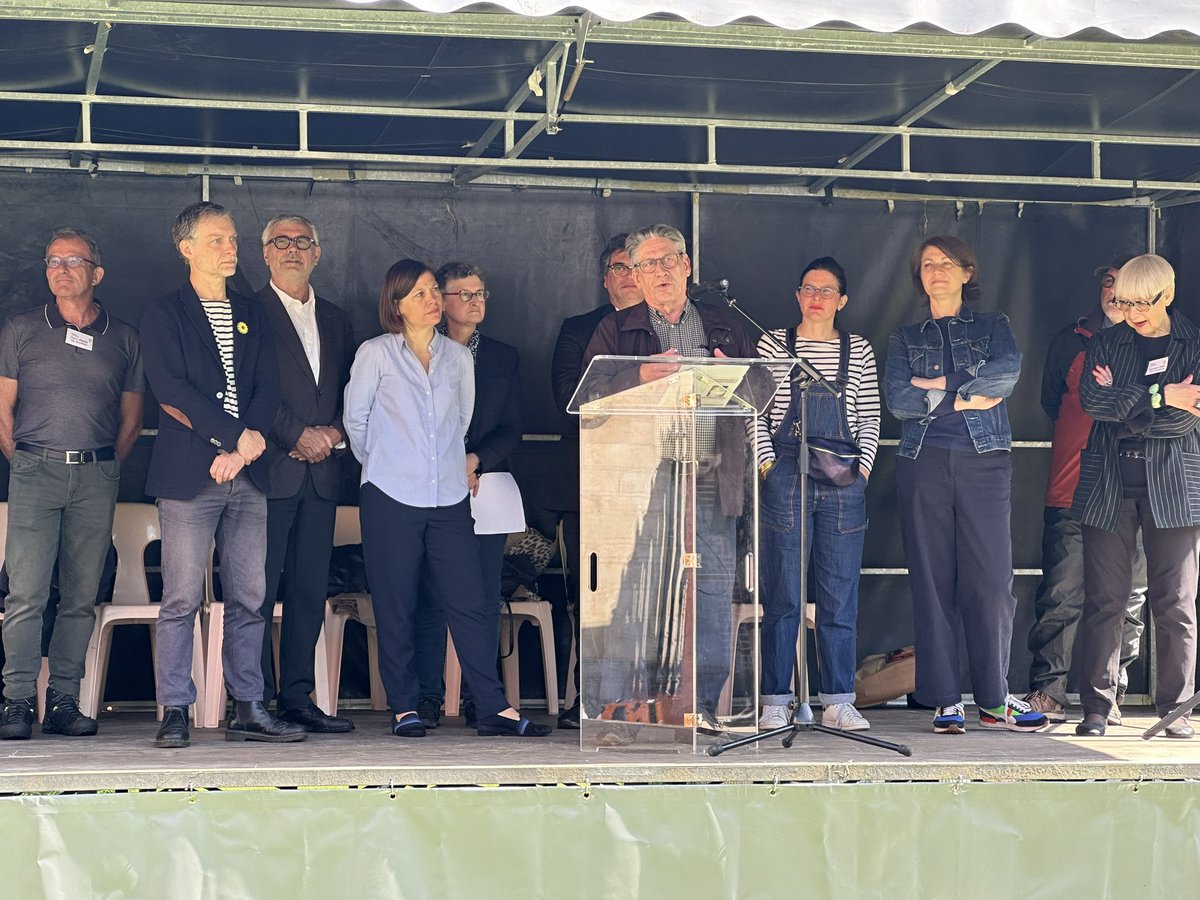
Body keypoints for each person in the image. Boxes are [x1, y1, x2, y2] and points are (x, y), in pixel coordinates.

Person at [343, 258, 550, 738]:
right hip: (390, 495)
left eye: (434, 290)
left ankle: (494, 707)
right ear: (396, 305)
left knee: (470, 600)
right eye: (419, 293)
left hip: (450, 497)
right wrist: (388, 465)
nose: (432, 299)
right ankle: (405, 706)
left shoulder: (458, 359)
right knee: (397, 603)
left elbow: (460, 423)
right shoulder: (376, 353)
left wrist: (439, 467)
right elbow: (356, 422)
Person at [141, 201, 303, 749]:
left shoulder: (252, 310)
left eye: (233, 239)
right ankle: (175, 711)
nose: (230, 248)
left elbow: (266, 388)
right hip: (192, 474)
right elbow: (172, 392)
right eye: (217, 240)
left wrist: (244, 450)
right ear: (186, 248)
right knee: (181, 598)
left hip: (247, 475)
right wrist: (231, 439)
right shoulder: (165, 312)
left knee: (249, 596)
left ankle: (249, 706)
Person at [582, 224, 756, 734]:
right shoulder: (618, 328)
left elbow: (763, 387)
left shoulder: (725, 322)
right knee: (634, 592)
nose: (659, 272)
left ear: (687, 266)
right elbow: (587, 400)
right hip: (642, 479)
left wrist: (736, 374)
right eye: (647, 264)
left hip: (711, 474)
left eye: (667, 261)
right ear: (633, 275)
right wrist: (636, 377)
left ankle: (698, 707)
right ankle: (619, 708)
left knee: (711, 591)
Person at [883, 235, 1046, 734]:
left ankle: (996, 699)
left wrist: (935, 385)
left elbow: (1005, 375)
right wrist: (960, 395)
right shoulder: (904, 339)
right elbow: (897, 400)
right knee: (931, 582)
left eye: (947, 263)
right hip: (923, 461)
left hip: (984, 461)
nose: (937, 271)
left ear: (967, 273)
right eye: (928, 264)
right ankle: (943, 699)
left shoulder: (994, 326)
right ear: (919, 276)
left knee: (993, 582)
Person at [0, 228, 144, 741]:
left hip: (96, 474)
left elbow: (131, 419)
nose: (60, 269)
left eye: (73, 260)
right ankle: (16, 701)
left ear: (96, 274)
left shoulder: (123, 336)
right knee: (26, 594)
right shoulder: (20, 329)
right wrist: (31, 462)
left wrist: (101, 465)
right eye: (52, 261)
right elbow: (3, 411)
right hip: (35, 470)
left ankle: (63, 699)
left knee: (81, 595)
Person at [1074, 253, 1200, 739]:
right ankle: (1098, 709)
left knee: (1176, 602)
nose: (1131, 312)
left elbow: (1185, 420)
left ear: (1167, 295)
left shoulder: (1194, 344)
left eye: (1141, 303)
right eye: (1122, 302)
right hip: (1109, 482)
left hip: (1177, 485)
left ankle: (1176, 710)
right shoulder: (1106, 340)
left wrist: (1129, 397)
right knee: (1105, 600)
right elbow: (1093, 402)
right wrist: (1161, 394)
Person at [753, 256, 879, 732]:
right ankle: (775, 700)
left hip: (843, 475)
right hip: (786, 471)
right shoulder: (773, 344)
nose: (817, 297)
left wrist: (862, 470)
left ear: (842, 301)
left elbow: (869, 414)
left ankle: (838, 700)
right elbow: (755, 412)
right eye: (809, 288)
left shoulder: (859, 349)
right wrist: (767, 464)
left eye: (827, 290)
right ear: (797, 296)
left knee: (839, 592)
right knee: (783, 592)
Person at [1025, 260, 1147, 724]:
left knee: (1130, 600)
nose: (1114, 290)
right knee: (1060, 595)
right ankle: (1049, 692)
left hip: (1136, 492)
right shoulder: (1071, 340)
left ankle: (1110, 694)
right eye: (1108, 281)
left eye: (1124, 282)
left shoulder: (1164, 344)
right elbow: (1051, 402)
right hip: (1072, 488)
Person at [255, 214, 356, 734]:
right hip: (270, 471)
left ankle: (297, 698)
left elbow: (352, 393)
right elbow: (250, 388)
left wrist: (333, 434)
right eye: (281, 242)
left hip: (322, 476)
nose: (292, 250)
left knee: (308, 590)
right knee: (258, 590)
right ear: (265, 252)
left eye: (302, 242)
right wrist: (295, 434)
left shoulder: (338, 320)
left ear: (318, 252)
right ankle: (250, 700)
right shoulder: (246, 310)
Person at [413, 261, 522, 729]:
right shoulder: (418, 349)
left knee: (479, 595)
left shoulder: (502, 355)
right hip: (424, 488)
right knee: (431, 595)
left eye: (481, 293)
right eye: (464, 294)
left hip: (484, 488)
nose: (475, 302)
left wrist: (476, 458)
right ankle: (427, 697)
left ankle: (484, 698)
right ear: (440, 301)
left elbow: (514, 427)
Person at [547, 233, 642, 730]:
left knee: (643, 594)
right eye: (620, 268)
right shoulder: (580, 328)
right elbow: (568, 398)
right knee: (592, 595)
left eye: (638, 267)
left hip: (652, 482)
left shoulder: (669, 327)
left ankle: (644, 698)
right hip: (591, 484)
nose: (630, 277)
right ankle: (590, 697)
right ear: (605, 278)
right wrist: (638, 381)